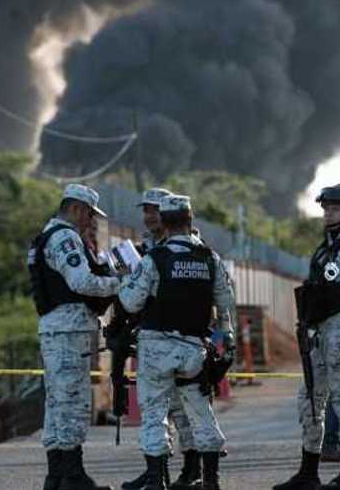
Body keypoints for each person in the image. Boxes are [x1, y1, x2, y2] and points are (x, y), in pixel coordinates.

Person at [118, 194, 236, 490]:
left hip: (157, 349)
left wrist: (124, 279)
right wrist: (224, 343)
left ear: (165, 224)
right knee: (202, 415)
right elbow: (226, 305)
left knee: (155, 416)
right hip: (194, 351)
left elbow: (131, 303)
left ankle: (157, 481)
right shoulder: (210, 258)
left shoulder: (154, 259)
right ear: (190, 221)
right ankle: (211, 481)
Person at [274, 184, 340, 490]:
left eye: (333, 209)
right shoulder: (326, 248)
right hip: (320, 335)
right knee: (308, 401)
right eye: (326, 209)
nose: (327, 214)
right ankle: (309, 472)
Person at [30, 184, 123, 490]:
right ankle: (73, 477)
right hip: (69, 330)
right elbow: (82, 281)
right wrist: (117, 284)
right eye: (88, 215)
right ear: (76, 209)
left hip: (56, 329)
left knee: (57, 404)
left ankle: (55, 476)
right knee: (72, 403)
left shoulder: (45, 236)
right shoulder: (66, 238)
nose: (90, 222)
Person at [120, 188, 203, 490]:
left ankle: (192, 469)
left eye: (154, 210)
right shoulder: (148, 247)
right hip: (153, 334)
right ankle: (157, 472)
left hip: (184, 336)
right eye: (145, 211)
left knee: (183, 408)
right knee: (158, 409)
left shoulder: (191, 246)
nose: (149, 216)